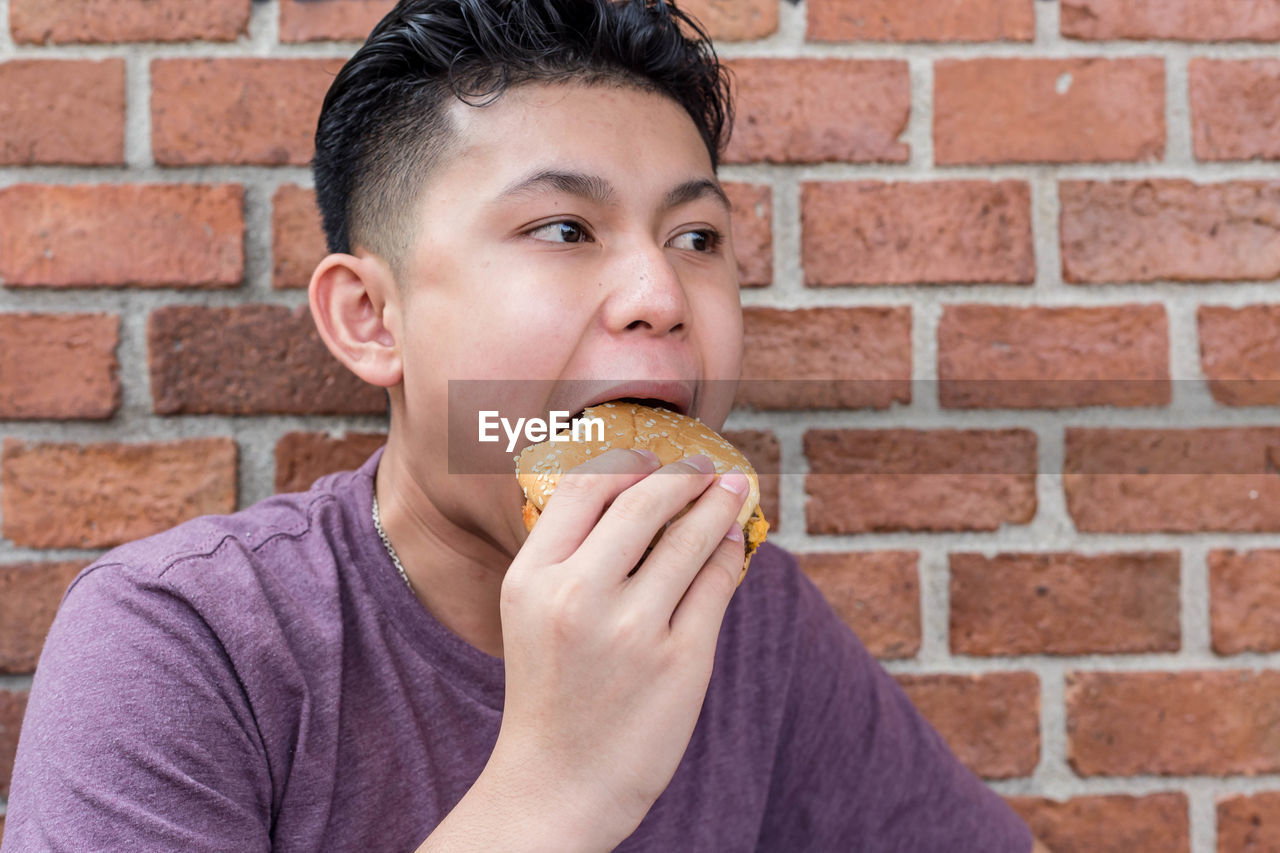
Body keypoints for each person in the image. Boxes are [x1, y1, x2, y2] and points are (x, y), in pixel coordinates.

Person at [3, 1, 1050, 850]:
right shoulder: (181, 642)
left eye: (696, 235)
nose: (660, 292)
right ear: (372, 318)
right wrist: (559, 785)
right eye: (562, 227)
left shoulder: (741, 609)